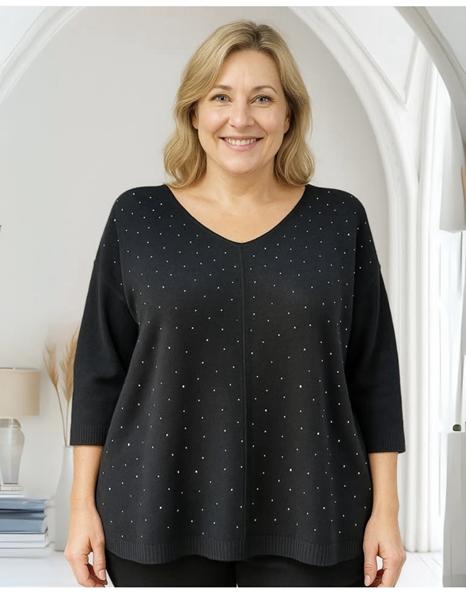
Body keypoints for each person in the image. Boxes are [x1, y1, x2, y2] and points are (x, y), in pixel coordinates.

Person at [64, 19, 407, 587]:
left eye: (262, 99)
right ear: (194, 112)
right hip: (154, 508)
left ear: (289, 116)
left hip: (316, 512)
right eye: (221, 97)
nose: (240, 118)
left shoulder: (339, 220)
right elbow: (100, 372)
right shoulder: (138, 217)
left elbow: (374, 375)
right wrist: (81, 508)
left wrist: (387, 514)